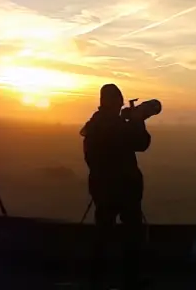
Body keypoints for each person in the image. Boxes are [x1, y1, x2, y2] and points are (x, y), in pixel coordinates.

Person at [81, 83, 152, 290]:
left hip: (101, 186)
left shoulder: (93, 124)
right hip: (125, 187)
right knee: (132, 235)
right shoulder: (117, 125)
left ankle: (96, 280)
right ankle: (130, 281)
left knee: (102, 234)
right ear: (116, 102)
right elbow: (142, 143)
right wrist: (138, 121)